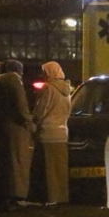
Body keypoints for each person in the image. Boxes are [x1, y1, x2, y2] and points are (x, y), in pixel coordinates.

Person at [0, 59, 34, 210]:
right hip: (15, 129)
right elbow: (21, 106)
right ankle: (12, 196)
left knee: (1, 163)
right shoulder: (14, 82)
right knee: (14, 165)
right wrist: (29, 123)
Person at [30, 61, 71, 207]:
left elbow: (41, 110)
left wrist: (33, 124)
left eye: (45, 71)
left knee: (46, 169)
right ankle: (60, 197)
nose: (43, 74)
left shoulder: (48, 88)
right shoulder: (67, 90)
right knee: (59, 169)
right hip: (62, 133)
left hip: (48, 133)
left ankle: (47, 198)